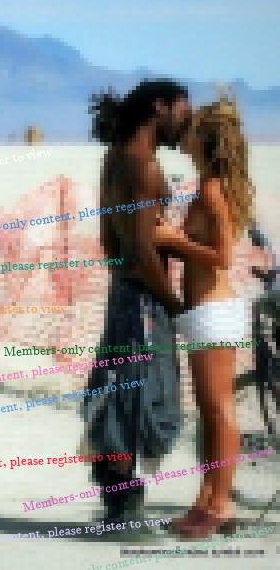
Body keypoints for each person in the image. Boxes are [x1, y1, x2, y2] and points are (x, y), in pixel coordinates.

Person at [84, 79, 192, 521]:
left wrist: (124, 282)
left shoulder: (115, 156)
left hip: (124, 295)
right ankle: (123, 507)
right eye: (183, 110)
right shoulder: (144, 167)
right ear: (159, 107)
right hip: (145, 298)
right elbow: (145, 251)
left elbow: (110, 239)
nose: (186, 121)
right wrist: (174, 304)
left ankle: (116, 495)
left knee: (119, 389)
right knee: (141, 396)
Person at [153, 98, 255, 537]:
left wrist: (172, 240)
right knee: (208, 412)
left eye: (191, 129)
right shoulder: (205, 186)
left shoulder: (212, 190)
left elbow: (222, 257)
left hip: (215, 310)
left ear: (205, 139)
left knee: (218, 410)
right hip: (203, 311)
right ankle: (205, 500)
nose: (183, 135)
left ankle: (221, 505)